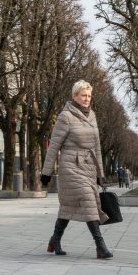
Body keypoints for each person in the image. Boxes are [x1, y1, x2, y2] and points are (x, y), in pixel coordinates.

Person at [40, 80, 113, 260]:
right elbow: (54, 145)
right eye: (83, 95)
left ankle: (54, 240)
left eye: (89, 96)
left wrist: (100, 174)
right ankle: (100, 246)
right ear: (74, 96)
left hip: (88, 167)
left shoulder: (92, 116)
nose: (87, 99)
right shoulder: (66, 117)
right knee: (89, 201)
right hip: (71, 166)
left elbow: (97, 147)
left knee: (68, 207)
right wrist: (46, 172)